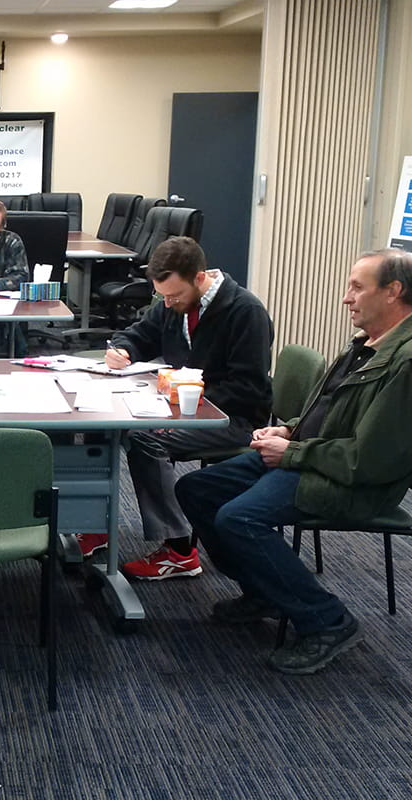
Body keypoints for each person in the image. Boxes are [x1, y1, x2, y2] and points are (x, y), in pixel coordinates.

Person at [175, 249, 412, 675]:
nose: (346, 298)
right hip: (311, 456)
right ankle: (264, 589)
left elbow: (369, 462)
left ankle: (327, 619)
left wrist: (294, 451)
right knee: (195, 488)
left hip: (348, 480)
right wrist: (289, 430)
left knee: (239, 518)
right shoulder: (366, 343)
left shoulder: (405, 362)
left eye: (357, 287)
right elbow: (330, 412)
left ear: (394, 292)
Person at [78, 236, 273, 580]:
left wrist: (185, 398)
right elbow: (140, 334)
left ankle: (180, 550)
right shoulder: (174, 302)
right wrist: (122, 350)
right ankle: (95, 524)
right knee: (100, 425)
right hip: (184, 406)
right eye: (162, 296)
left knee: (146, 440)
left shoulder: (246, 312)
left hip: (233, 417)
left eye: (174, 295)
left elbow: (248, 388)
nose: (167, 303)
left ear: (199, 278)